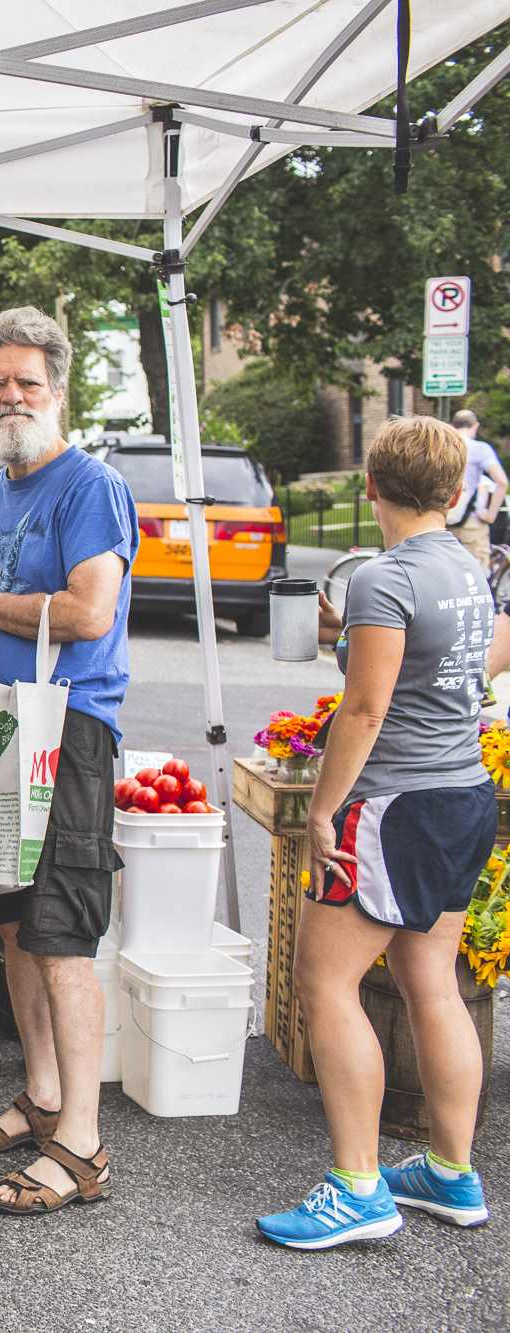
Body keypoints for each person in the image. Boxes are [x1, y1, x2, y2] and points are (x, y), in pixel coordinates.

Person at [257, 416, 495, 1248]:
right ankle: (451, 1172)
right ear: (458, 489)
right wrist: (353, 633)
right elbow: (473, 657)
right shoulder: (467, 568)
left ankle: (359, 1186)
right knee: (431, 980)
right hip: (464, 794)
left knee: (322, 983)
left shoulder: (386, 577)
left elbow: (364, 708)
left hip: (393, 807)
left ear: (370, 486)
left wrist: (324, 808)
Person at [0, 307, 135, 1216]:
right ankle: (43, 1093)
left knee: (60, 935)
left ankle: (82, 1142)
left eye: (27, 381)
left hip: (69, 727)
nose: (10, 395)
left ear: (58, 391)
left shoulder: (90, 486)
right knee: (11, 924)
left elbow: (89, 612)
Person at [449, 409, 505, 566]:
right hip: (471, 521)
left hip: (441, 521)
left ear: (453, 425)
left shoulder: (442, 445)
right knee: (476, 576)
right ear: (475, 426)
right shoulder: (480, 449)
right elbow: (501, 482)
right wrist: (490, 515)